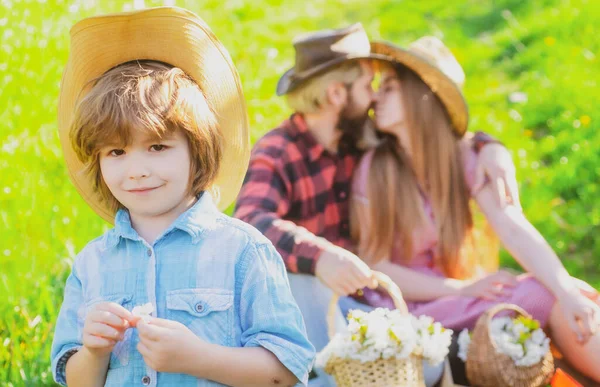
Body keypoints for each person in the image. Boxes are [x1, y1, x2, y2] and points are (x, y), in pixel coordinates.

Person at [234, 23, 520, 386]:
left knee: (427, 364)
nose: (373, 98)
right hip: (306, 311)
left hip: (367, 303)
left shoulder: (361, 138)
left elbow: (430, 129)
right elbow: (249, 222)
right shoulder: (279, 150)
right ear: (337, 94)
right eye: (366, 86)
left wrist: (488, 145)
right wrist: (321, 257)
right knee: (299, 282)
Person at [50, 7, 314, 387]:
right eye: (116, 152)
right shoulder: (92, 263)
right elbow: (75, 380)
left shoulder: (243, 251)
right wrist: (94, 352)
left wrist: (198, 359)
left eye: (157, 147)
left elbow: (287, 371)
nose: (136, 169)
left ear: (198, 150)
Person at [350, 36, 600, 382]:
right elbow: (375, 264)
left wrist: (567, 292)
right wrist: (459, 289)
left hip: (463, 299)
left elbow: (511, 225)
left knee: (562, 296)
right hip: (406, 306)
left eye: (389, 87)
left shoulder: (463, 157)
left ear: (421, 96)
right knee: (536, 296)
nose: (376, 97)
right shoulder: (375, 170)